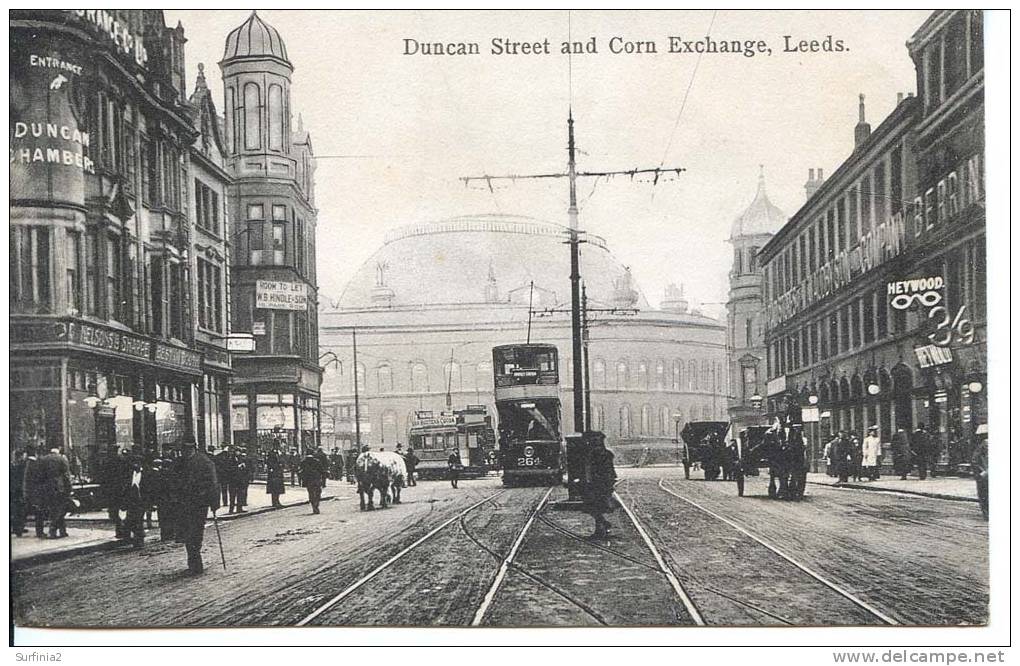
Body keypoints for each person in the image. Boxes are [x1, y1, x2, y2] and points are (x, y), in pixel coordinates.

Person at [171, 437, 219, 574]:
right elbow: (172, 480)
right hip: (183, 503)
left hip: (199, 503)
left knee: (195, 533)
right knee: (186, 533)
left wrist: (214, 503)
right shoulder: (179, 462)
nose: (184, 452)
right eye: (183, 450)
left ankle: (196, 565)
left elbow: (213, 483)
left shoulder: (205, 462)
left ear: (193, 448)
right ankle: (193, 562)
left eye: (187, 449)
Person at [583, 433, 618, 540]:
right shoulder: (606, 454)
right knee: (596, 506)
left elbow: (590, 470)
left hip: (598, 484)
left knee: (595, 506)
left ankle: (601, 527)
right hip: (602, 483)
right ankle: (601, 526)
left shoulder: (594, 454)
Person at [38, 447, 72, 539]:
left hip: (47, 489)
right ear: (58, 451)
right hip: (59, 488)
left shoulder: (43, 460)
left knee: (54, 509)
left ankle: (62, 531)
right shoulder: (62, 459)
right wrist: (69, 488)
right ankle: (52, 531)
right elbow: (66, 475)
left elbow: (40, 476)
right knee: (60, 509)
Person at [100, 446, 128, 539]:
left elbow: (104, 477)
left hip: (112, 490)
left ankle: (120, 530)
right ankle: (123, 529)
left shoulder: (107, 461)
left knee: (114, 512)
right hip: (121, 489)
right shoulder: (122, 460)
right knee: (122, 510)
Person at [122, 449, 148, 548]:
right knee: (131, 520)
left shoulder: (145, 475)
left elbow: (148, 489)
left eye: (137, 463)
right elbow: (125, 487)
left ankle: (139, 540)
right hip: (131, 500)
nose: (135, 465)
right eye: (134, 463)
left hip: (141, 501)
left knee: (138, 520)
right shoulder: (129, 475)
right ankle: (135, 537)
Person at [971, 424, 988, 520]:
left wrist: (979, 473)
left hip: (984, 475)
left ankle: (987, 514)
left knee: (983, 495)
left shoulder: (981, 446)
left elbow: (974, 461)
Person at [11, 450, 28, 537]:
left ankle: (16, 527)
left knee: (15, 510)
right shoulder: (21, 466)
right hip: (18, 490)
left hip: (13, 490)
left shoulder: (12, 465)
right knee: (20, 510)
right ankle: (18, 528)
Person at [266, 442, 286, 508]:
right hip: (274, 473)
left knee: (279, 488)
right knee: (274, 488)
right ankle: (274, 502)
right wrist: (275, 467)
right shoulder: (271, 453)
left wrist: (282, 464)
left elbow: (283, 461)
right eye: (276, 446)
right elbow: (269, 462)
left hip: (279, 472)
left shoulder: (280, 453)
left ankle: (278, 501)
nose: (277, 447)